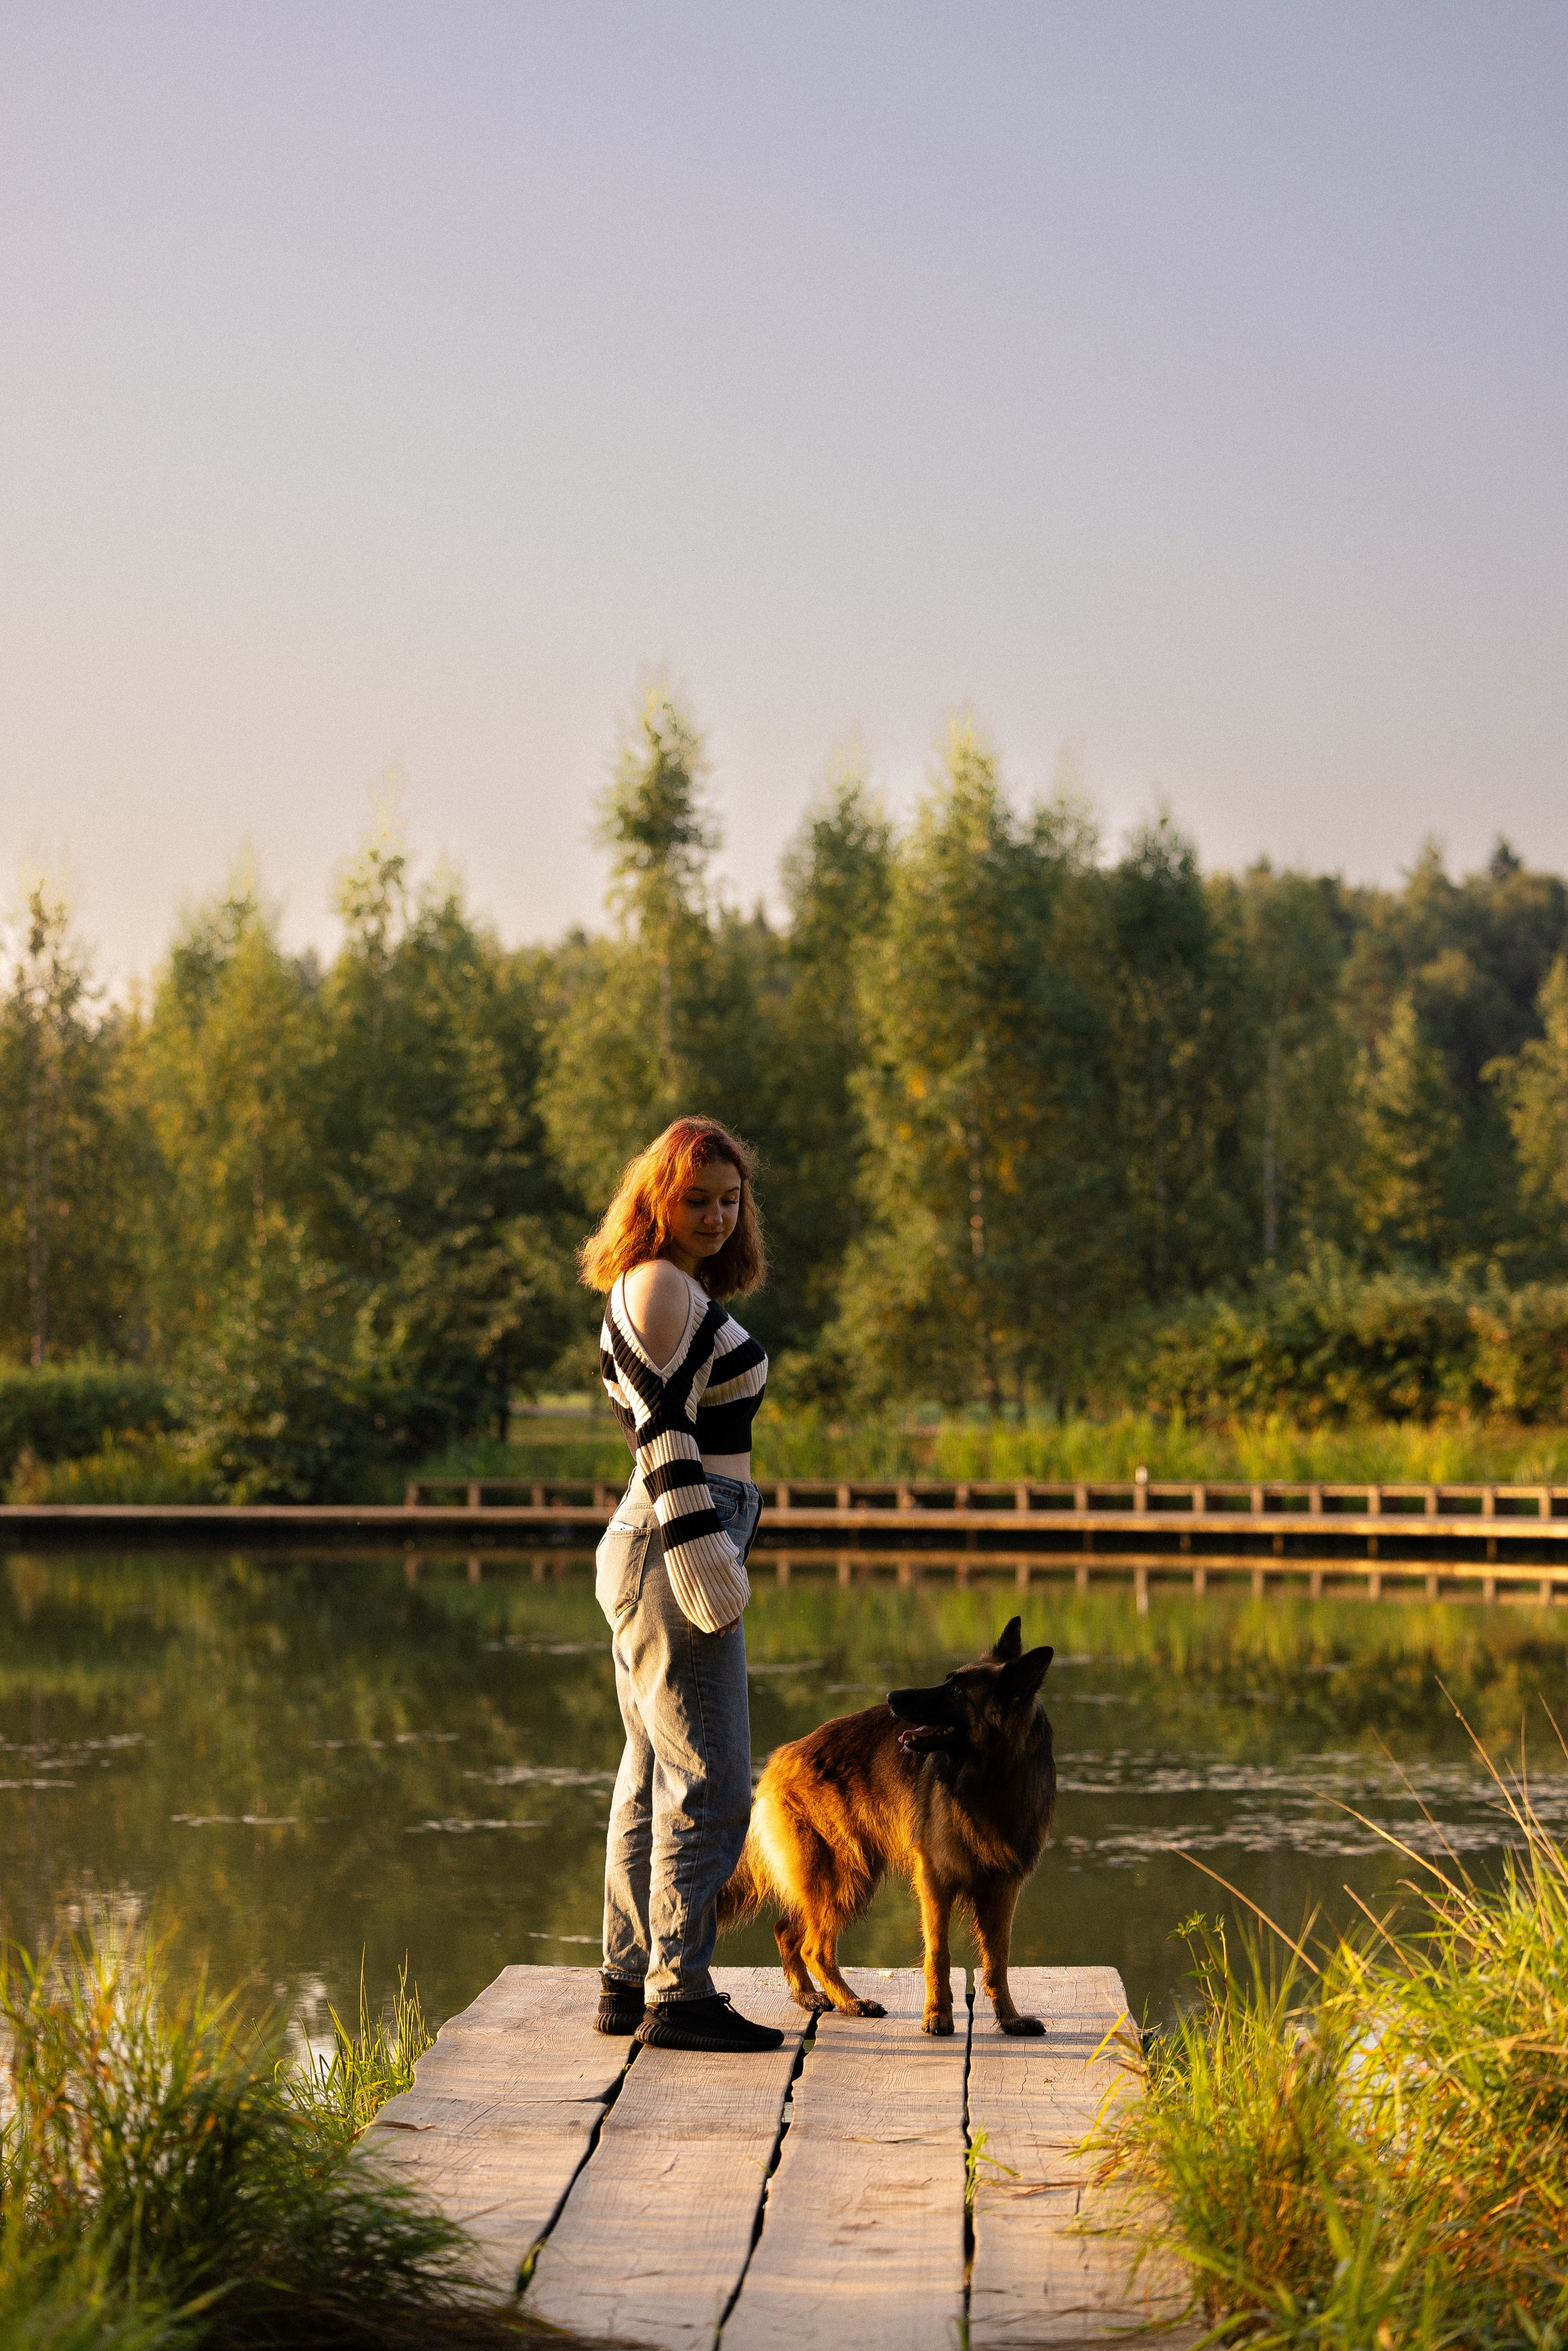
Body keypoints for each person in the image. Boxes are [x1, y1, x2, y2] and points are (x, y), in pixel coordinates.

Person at [579, 1115, 783, 2055]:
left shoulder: (664, 1283)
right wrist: (708, 1558)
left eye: (727, 1199)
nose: (713, 1214)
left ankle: (630, 1978)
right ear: (656, 1198)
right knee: (712, 1778)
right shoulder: (658, 1282)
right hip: (676, 1538)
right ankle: (680, 1992)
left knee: (652, 1770)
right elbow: (663, 1431)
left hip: (663, 1535)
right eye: (695, 1198)